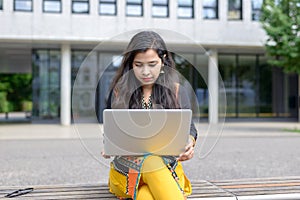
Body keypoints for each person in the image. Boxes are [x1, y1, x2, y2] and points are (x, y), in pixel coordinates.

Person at [102, 30, 198, 200]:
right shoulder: (119, 92)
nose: (145, 72)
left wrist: (189, 142)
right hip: (127, 172)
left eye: (152, 64)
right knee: (151, 162)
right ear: (130, 64)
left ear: (163, 62)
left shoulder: (176, 91)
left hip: (165, 169)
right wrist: (109, 145)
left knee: (145, 195)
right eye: (138, 65)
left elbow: (189, 129)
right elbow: (111, 132)